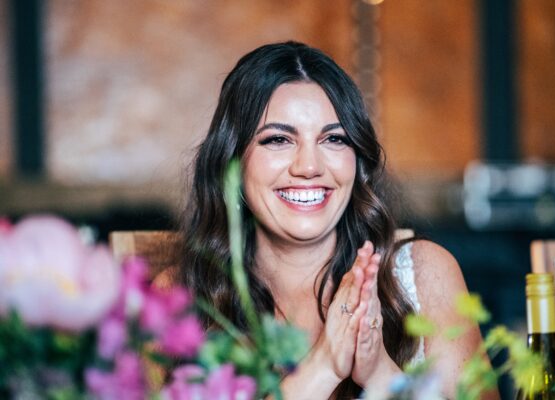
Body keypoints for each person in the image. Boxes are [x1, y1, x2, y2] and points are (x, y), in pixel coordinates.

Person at [178, 41, 497, 399]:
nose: (310, 167)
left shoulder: (425, 275)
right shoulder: (183, 299)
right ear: (232, 163)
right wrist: (326, 364)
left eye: (333, 138)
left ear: (357, 161)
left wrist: (379, 373)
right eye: (279, 139)